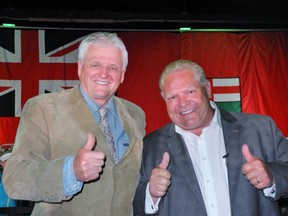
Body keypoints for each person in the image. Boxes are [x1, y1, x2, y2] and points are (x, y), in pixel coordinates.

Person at [3, 32, 146, 216]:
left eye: (113, 67)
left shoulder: (135, 114)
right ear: (80, 68)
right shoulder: (43, 109)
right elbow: (15, 179)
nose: (104, 73)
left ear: (122, 75)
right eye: (95, 64)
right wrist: (70, 171)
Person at [133, 59, 288, 216]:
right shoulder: (150, 146)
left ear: (207, 89)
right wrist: (150, 194)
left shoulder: (260, 128)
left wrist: (272, 176)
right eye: (172, 97)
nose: (183, 103)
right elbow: (132, 204)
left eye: (190, 92)